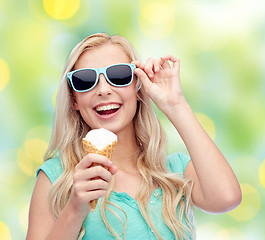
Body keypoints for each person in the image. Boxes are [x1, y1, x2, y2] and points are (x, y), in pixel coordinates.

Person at [26, 33, 242, 240]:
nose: (103, 90)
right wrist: (75, 208)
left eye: (118, 75)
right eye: (85, 80)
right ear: (74, 100)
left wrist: (176, 105)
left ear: (138, 88)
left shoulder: (174, 171)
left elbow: (227, 198)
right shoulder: (57, 178)